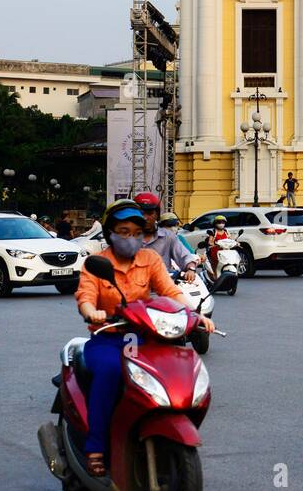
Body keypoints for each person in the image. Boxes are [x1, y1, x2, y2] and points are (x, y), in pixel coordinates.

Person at [75, 200, 215, 476]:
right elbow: (86, 296)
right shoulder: (97, 263)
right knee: (111, 372)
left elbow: (169, 291)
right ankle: (95, 449)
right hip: (109, 338)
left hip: (146, 338)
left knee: (177, 369)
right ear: (110, 233)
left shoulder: (149, 260)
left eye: (136, 233)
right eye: (124, 231)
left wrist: (195, 315)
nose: (131, 238)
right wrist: (92, 312)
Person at [132, 191, 199, 281]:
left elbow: (184, 256)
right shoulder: (126, 237)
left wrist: (191, 269)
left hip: (161, 288)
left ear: (157, 215)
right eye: (141, 213)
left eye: (150, 213)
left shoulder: (168, 237)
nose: (145, 218)